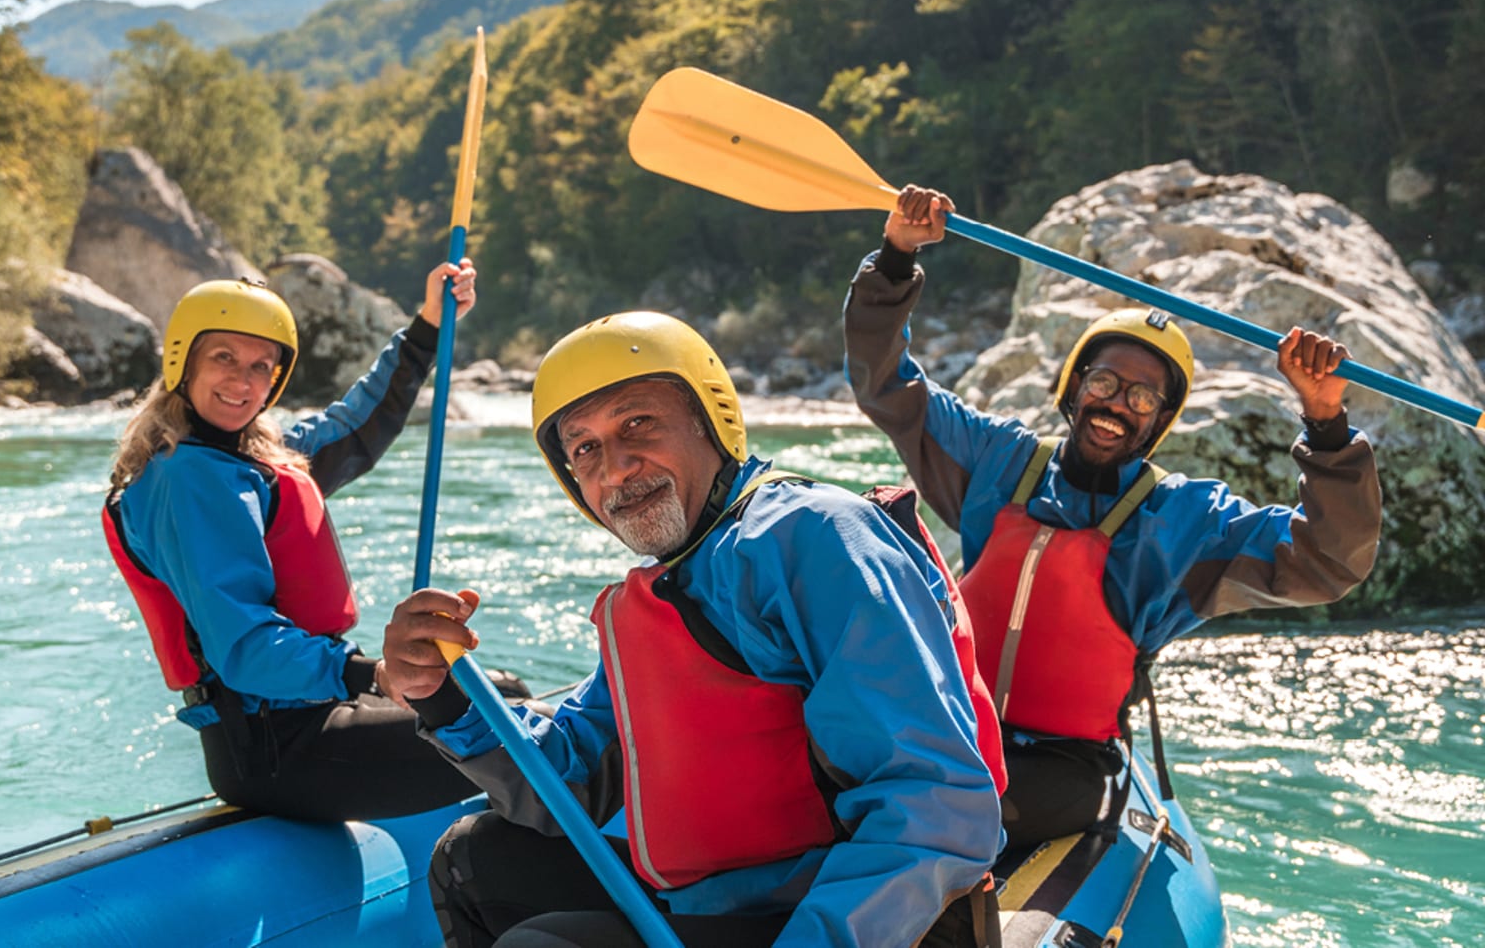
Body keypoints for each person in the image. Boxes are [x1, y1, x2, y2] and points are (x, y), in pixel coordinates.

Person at [380, 311, 1007, 948]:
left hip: (858, 918)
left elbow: (935, 806)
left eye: (637, 423)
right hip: (726, 903)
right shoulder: (675, 580)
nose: (615, 469)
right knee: (475, 859)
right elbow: (575, 776)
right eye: (585, 449)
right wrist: (443, 696)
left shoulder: (812, 538)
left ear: (711, 421)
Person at [843, 185, 1383, 850]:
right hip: (955, 727)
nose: (1117, 405)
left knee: (951, 801)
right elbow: (886, 384)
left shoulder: (1183, 521)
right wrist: (897, 257)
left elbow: (1326, 559)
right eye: (1104, 383)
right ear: (1076, 388)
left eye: (1142, 398)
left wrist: (1326, 425)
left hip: (1063, 766)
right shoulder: (999, 461)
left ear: (1159, 421)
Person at [103, 260, 497, 822]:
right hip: (277, 747)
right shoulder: (186, 480)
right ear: (182, 362)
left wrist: (428, 328)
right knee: (504, 721)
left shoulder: (250, 458)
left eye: (260, 367)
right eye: (224, 358)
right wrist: (371, 673)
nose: (242, 381)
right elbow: (245, 647)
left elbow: (356, 426)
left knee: (498, 693)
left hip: (307, 714)